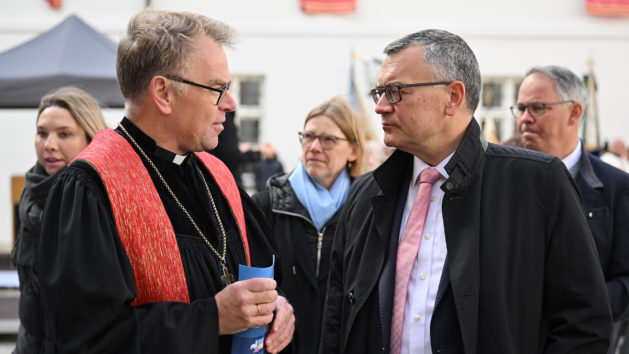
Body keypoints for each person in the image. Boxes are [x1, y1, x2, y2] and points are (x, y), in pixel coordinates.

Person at [319, 30, 612, 354]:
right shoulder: (366, 192)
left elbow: (583, 324)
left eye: (396, 91)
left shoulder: (537, 184)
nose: (381, 107)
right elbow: (336, 319)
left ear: (453, 97)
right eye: (380, 92)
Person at [37, 9, 294, 354]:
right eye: (217, 89)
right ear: (163, 93)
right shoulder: (90, 188)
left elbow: (259, 281)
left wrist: (277, 309)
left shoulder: (217, 176)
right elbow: (86, 339)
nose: (230, 104)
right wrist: (212, 318)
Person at [515, 65, 629, 353]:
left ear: (575, 113)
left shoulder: (617, 188)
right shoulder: (498, 182)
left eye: (538, 108)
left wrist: (582, 306)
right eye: (520, 108)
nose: (525, 119)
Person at [252, 96, 367, 354]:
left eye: (328, 139)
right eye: (308, 136)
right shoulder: (266, 205)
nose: (314, 147)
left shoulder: (367, 212)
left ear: (354, 151)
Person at [11, 86, 108, 354]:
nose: (49, 145)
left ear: (90, 137)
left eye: (64, 134)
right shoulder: (31, 191)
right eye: (42, 133)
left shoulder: (103, 200)